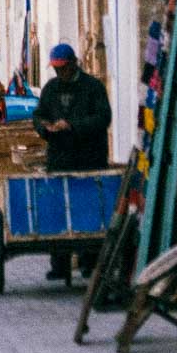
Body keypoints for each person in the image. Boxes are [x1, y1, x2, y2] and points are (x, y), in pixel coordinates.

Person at [32, 42, 114, 278]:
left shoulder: (93, 87)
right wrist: (44, 128)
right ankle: (59, 265)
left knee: (88, 208)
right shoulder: (50, 89)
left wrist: (73, 126)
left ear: (73, 64)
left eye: (63, 68)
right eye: (56, 69)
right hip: (60, 158)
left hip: (88, 157)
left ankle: (89, 262)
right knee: (58, 208)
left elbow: (102, 118)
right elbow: (39, 114)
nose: (60, 73)